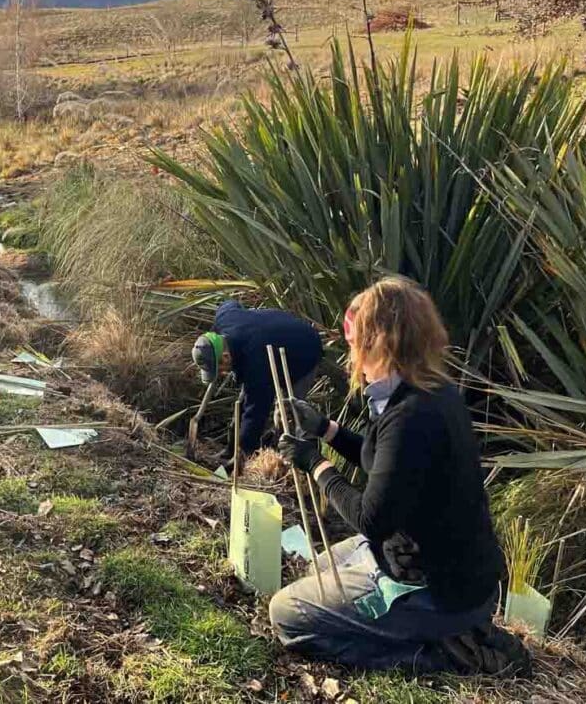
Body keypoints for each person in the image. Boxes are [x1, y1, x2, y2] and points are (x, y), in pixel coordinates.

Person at [270, 276, 530, 676]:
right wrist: (325, 429)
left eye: (355, 337)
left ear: (379, 340)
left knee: (286, 614)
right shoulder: (427, 390)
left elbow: (373, 519)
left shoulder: (411, 416)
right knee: (318, 568)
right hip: (449, 569)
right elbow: (387, 465)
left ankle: (447, 656)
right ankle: (437, 630)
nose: (349, 347)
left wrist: (315, 463)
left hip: (439, 588)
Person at [191, 300, 323, 470]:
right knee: (244, 401)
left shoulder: (256, 363)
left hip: (304, 349)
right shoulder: (224, 318)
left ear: (225, 357)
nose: (222, 374)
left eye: (221, 369)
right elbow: (230, 303)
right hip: (270, 338)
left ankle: (281, 463)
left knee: (288, 413)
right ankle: (229, 451)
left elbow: (255, 413)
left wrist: (243, 453)